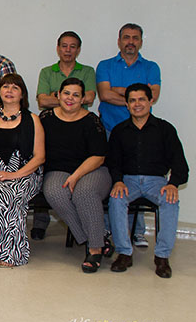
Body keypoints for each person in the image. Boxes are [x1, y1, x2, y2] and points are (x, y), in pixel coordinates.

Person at [108, 84, 188, 278]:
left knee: (171, 200)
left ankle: (162, 257)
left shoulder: (165, 129)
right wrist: (117, 181)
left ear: (151, 101)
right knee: (116, 199)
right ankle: (124, 253)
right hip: (128, 180)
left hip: (156, 181)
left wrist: (172, 184)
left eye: (142, 99)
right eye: (133, 100)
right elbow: (113, 162)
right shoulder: (120, 131)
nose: (137, 104)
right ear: (127, 104)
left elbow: (180, 164)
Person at [0, 74, 44, 268]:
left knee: (6, 195)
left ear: (22, 94)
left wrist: (14, 175)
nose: (9, 91)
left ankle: (13, 253)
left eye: (14, 88)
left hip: (26, 174)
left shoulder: (33, 120)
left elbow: (40, 157)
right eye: (5, 87)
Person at [97, 23, 161, 247]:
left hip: (138, 132)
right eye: (126, 37)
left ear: (141, 41)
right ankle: (107, 228)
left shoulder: (151, 67)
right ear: (119, 41)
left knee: (136, 176)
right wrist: (136, 93)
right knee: (110, 178)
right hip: (108, 129)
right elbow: (104, 94)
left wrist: (119, 91)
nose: (130, 42)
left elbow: (152, 94)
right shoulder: (105, 66)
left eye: (135, 38)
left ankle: (137, 231)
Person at [40, 78, 111, 273]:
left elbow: (98, 156)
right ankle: (96, 236)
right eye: (66, 93)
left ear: (83, 100)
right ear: (58, 95)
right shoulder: (46, 118)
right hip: (58, 170)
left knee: (84, 193)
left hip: (92, 169)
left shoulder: (92, 121)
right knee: (55, 193)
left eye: (76, 95)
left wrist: (77, 175)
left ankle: (95, 249)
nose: (70, 98)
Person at [31, 31, 97, 240]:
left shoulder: (87, 71)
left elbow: (89, 97)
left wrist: (57, 98)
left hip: (77, 126)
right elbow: (42, 101)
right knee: (46, 166)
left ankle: (87, 230)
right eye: (64, 46)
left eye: (73, 46)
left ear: (78, 49)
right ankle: (40, 223)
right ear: (58, 48)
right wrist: (70, 100)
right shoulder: (47, 71)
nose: (68, 50)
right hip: (51, 126)